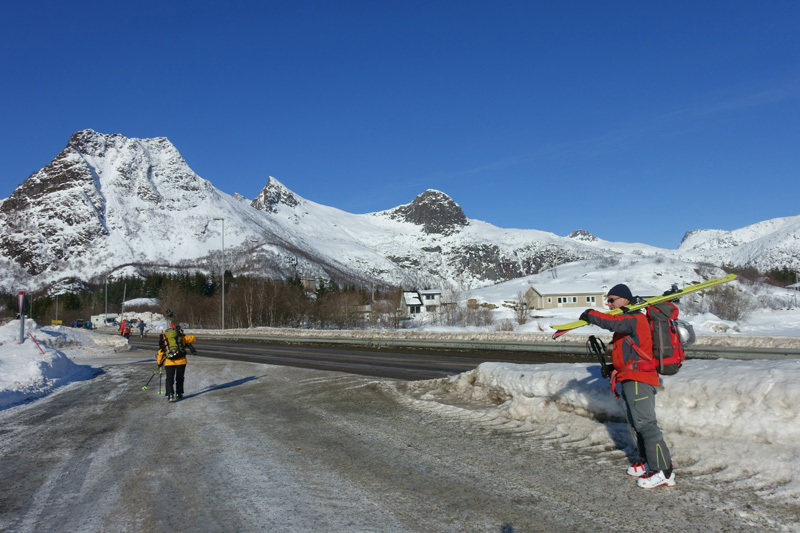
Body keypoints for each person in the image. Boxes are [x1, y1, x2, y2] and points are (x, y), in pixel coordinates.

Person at [579, 283, 675, 489]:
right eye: (608, 300)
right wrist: (615, 367)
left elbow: (611, 322)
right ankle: (646, 462)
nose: (609, 303)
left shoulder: (634, 318)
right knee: (636, 424)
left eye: (612, 299)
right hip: (631, 377)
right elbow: (631, 354)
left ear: (625, 300)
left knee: (646, 425)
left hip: (640, 379)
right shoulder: (630, 321)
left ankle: (663, 471)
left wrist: (590, 314)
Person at [157, 310, 197, 402]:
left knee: (169, 379)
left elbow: (161, 351)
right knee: (179, 378)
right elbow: (193, 338)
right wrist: (183, 335)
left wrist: (159, 362)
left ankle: (170, 395)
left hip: (169, 362)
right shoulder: (181, 338)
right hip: (181, 361)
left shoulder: (165, 338)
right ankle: (179, 393)